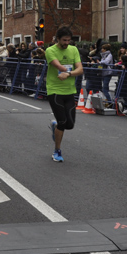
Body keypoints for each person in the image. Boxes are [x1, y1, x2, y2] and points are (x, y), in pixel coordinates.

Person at [46, 27, 83, 162]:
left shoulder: (73, 50)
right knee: (62, 122)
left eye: (68, 40)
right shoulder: (50, 50)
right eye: (64, 40)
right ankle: (57, 151)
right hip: (55, 90)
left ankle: (55, 126)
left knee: (70, 125)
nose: (66, 43)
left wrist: (68, 73)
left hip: (69, 91)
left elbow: (80, 69)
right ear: (57, 39)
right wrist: (66, 70)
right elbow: (59, 66)